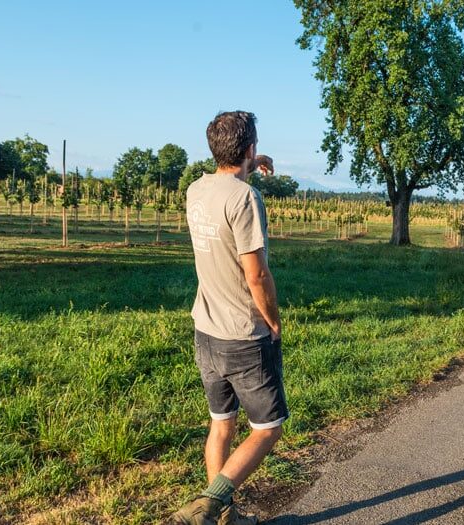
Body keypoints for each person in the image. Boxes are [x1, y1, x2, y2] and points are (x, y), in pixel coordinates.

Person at [169, 111, 285, 525]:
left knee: (221, 425)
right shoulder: (245, 199)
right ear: (249, 148)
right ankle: (208, 506)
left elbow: (229, 171)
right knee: (268, 428)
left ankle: (225, 518)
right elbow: (256, 273)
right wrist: (272, 321)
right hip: (244, 336)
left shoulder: (196, 190)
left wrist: (254, 160)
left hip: (206, 331)